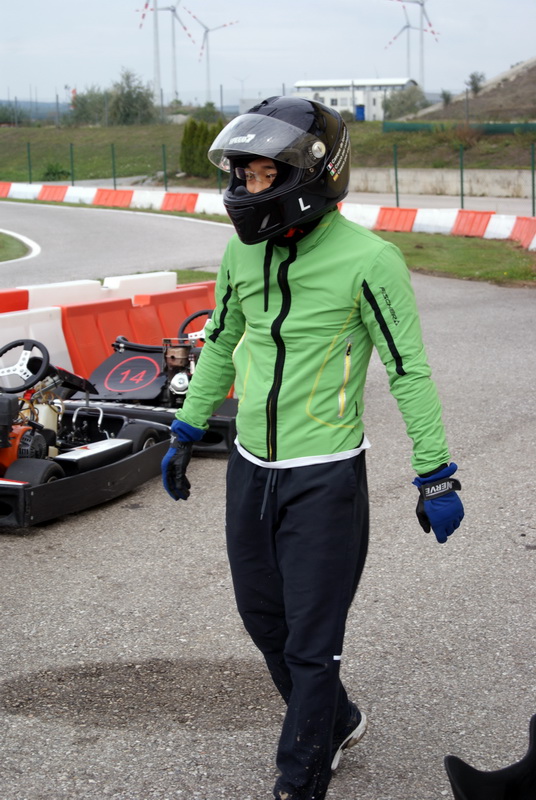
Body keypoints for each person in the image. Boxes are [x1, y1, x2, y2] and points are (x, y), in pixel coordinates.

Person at [162, 95, 464, 800]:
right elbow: (220, 342)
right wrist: (186, 427)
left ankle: (299, 778)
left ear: (313, 173)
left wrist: (436, 473)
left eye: (264, 175)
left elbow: (408, 370)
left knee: (311, 644)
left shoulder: (370, 260)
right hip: (250, 468)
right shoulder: (241, 250)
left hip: (324, 477)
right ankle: (339, 720)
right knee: (263, 621)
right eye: (242, 175)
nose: (248, 189)